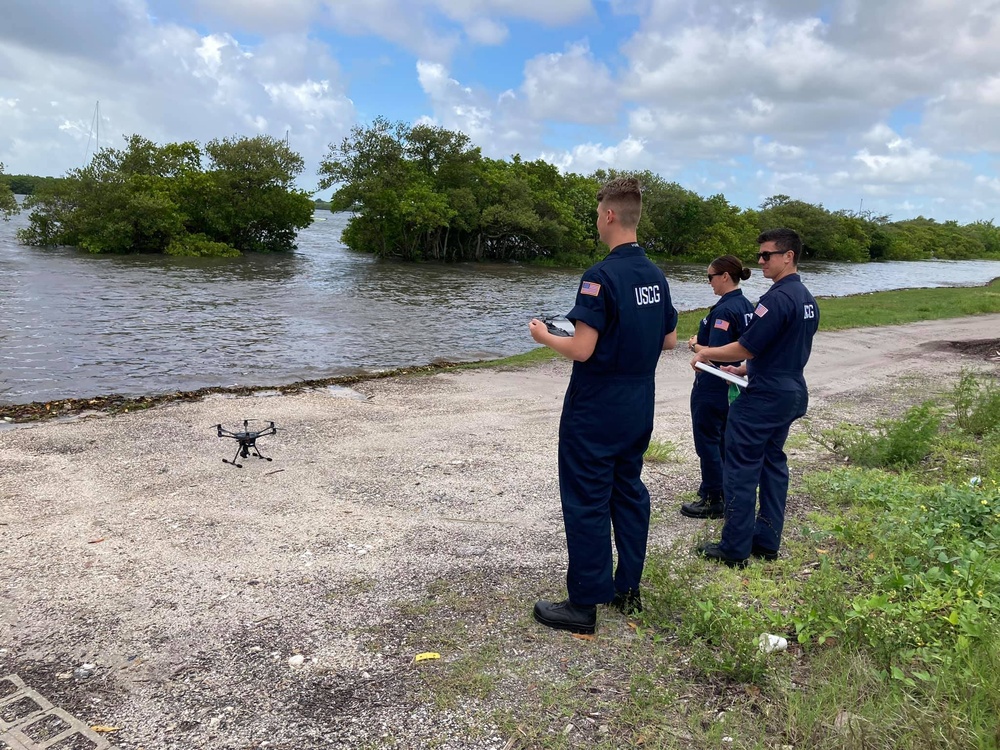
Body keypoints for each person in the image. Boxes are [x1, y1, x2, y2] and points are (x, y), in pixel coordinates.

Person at [528, 176, 678, 634]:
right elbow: (669, 340)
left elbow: (583, 350)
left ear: (609, 215)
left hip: (596, 406)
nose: (597, 221)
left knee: (587, 500)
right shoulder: (655, 275)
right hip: (639, 401)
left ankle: (583, 604)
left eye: (598, 214)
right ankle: (627, 588)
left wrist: (545, 335)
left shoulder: (600, 276)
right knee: (628, 491)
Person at [690, 228, 818, 567]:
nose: (760, 261)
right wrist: (744, 369)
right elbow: (782, 348)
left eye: (767, 255)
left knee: (740, 469)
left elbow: (746, 345)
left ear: (788, 256)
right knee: (773, 464)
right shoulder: (806, 298)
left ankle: (734, 547)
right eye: (760, 255)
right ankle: (766, 540)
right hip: (789, 390)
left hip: (764, 398)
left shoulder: (775, 299)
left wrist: (706, 352)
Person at [680, 256, 755, 520]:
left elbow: (717, 352)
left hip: (713, 382)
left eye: (710, 277)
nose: (709, 282)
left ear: (725, 276)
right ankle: (725, 490)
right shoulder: (746, 305)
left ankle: (712, 496)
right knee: (723, 438)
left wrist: (694, 346)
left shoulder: (725, 310)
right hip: (731, 384)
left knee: (708, 440)